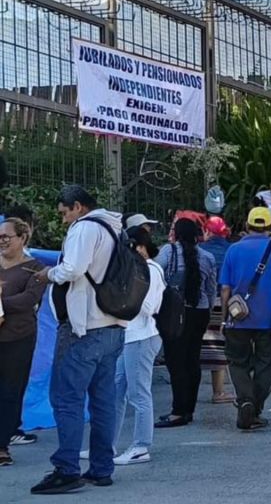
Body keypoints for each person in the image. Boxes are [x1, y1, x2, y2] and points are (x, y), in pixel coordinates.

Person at [31, 186, 125, 495]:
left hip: (83, 328)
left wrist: (48, 274)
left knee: (66, 398)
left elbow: (73, 269)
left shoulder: (85, 228)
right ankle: (101, 468)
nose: (62, 220)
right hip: (112, 327)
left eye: (63, 213)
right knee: (102, 401)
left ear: (78, 207)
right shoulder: (115, 229)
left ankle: (67, 469)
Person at [219, 207, 271, 431]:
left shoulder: (233, 250)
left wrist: (225, 317)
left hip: (238, 319)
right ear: (270, 227)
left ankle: (245, 400)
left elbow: (225, 289)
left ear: (247, 225)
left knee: (237, 362)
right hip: (269, 320)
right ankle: (255, 406)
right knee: (268, 363)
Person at [154, 218, 217, 428]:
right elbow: (211, 289)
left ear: (176, 233)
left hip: (175, 313)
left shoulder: (168, 252)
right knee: (192, 360)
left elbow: (155, 274)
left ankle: (178, 411)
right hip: (199, 312)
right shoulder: (207, 257)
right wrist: (207, 311)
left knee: (175, 361)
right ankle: (188, 409)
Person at [110, 227, 165, 466]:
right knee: (116, 391)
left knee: (139, 393)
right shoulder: (135, 269)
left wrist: (125, 295)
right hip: (129, 336)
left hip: (143, 336)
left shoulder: (151, 269)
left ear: (140, 246)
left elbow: (150, 306)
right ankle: (105, 445)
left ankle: (141, 446)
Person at [0, 218, 47, 467]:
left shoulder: (35, 268)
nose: (2, 241)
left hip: (18, 337)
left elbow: (29, 299)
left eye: (7, 236)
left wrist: (0, 304)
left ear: (22, 238)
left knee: (10, 391)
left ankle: (2, 445)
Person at [199, 217, 234, 404]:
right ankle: (219, 391)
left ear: (207, 231)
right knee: (218, 347)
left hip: (203, 301)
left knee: (199, 346)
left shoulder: (201, 250)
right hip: (224, 300)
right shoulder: (231, 249)